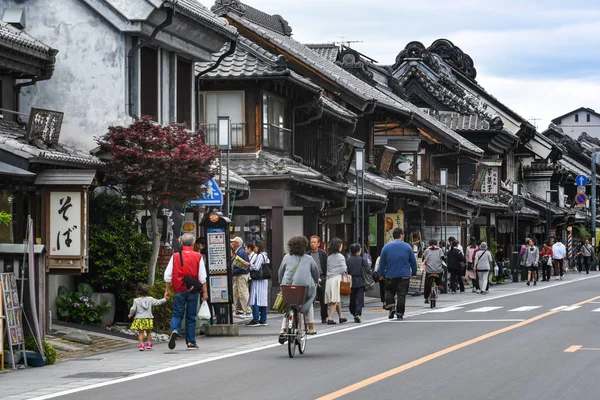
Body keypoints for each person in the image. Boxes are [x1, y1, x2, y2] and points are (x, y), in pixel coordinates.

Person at [164, 232, 207, 350]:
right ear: (193, 243)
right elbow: (202, 277)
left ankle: (174, 330)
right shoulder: (198, 256)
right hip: (193, 289)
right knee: (191, 316)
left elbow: (167, 275)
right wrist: (205, 292)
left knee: (177, 313)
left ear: (181, 242)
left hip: (179, 288)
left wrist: (167, 290)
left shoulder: (175, 256)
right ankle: (191, 342)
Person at [278, 236, 320, 343]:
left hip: (288, 287)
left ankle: (283, 330)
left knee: (288, 305)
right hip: (303, 289)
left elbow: (280, 272)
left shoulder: (286, 257)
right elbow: (316, 273)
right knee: (309, 299)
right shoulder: (309, 259)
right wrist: (316, 282)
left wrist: (281, 282)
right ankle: (310, 326)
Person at [380, 228, 417, 320]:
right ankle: (400, 313)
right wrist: (414, 273)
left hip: (390, 275)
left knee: (389, 291)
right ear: (401, 235)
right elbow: (413, 261)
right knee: (401, 294)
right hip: (404, 275)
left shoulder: (386, 247)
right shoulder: (407, 247)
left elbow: (382, 263)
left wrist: (381, 274)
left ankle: (391, 308)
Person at [128, 283, 166, 351]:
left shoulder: (136, 300)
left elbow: (133, 309)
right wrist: (165, 299)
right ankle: (148, 344)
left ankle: (141, 345)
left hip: (139, 318)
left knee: (141, 333)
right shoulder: (150, 299)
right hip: (148, 318)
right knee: (148, 332)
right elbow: (157, 302)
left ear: (138, 291)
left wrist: (130, 314)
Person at [245, 241, 270, 327]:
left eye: (255, 247)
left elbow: (256, 267)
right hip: (264, 280)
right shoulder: (265, 255)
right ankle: (263, 319)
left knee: (255, 299)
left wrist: (249, 265)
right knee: (263, 300)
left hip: (258, 280)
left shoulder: (260, 256)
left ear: (258, 247)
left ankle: (256, 319)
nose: (254, 249)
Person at [325, 237, 348, 325]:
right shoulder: (341, 256)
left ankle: (341, 316)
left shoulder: (329, 257)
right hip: (337, 279)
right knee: (334, 300)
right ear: (339, 246)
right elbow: (344, 268)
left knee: (336, 299)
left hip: (329, 279)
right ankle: (330, 318)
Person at [307, 235, 328, 323]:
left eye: (315, 242)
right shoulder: (307, 254)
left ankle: (324, 317)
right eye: (311, 242)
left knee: (323, 299)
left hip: (321, 277)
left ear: (319, 244)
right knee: (309, 299)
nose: (313, 244)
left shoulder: (323, 253)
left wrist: (325, 277)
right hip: (310, 278)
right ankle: (309, 317)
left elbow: (326, 266)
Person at [346, 243, 370, 323]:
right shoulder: (362, 259)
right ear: (358, 251)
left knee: (352, 298)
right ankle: (357, 314)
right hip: (360, 280)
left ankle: (353, 312)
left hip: (351, 281)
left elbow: (347, 271)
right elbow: (367, 269)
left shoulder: (348, 260)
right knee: (359, 299)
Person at [231, 236, 252, 318]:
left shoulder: (240, 252)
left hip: (242, 275)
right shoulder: (240, 252)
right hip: (239, 275)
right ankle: (233, 310)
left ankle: (248, 311)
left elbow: (240, 267)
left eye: (233, 242)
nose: (231, 243)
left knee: (243, 293)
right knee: (234, 292)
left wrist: (232, 273)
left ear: (236, 243)